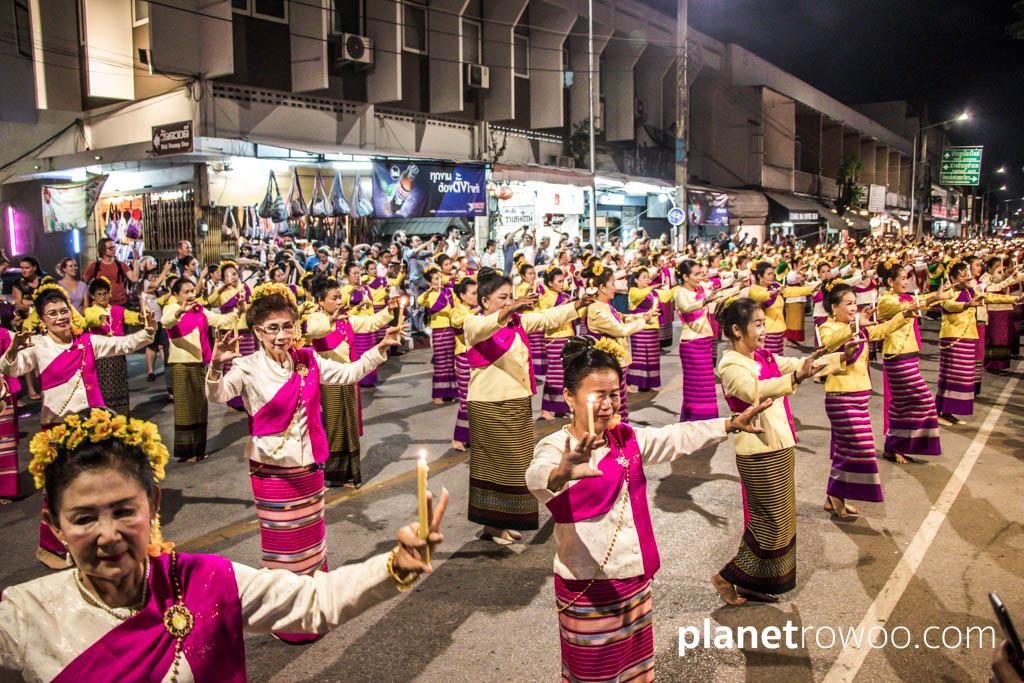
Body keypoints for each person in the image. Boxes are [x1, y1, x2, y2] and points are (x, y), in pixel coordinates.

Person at [0, 408, 448, 681]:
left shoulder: (206, 580)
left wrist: (397, 565)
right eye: (83, 518)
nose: (108, 535)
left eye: (123, 511)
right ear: (55, 527)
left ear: (153, 504)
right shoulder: (24, 615)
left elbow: (316, 601)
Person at [526, 336, 767, 682]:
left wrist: (727, 425)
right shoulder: (555, 446)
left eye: (613, 394)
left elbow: (673, 437)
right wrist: (561, 472)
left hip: (634, 577)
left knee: (635, 670)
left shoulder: (624, 437)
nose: (608, 405)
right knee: (595, 673)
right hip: (588, 585)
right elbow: (535, 476)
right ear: (568, 396)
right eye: (598, 396)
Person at [205, 283, 400, 643]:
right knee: (283, 545)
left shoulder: (307, 360)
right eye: (272, 328)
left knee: (312, 541)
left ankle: (313, 609)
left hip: (309, 463)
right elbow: (218, 395)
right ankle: (286, 619)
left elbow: (346, 374)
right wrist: (215, 366)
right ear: (257, 333)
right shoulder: (246, 367)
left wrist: (379, 349)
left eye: (287, 326)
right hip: (272, 469)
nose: (281, 335)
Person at [0, 282, 154, 568]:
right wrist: (13, 350)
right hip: (57, 429)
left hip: (92, 426)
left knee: (92, 488)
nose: (60, 317)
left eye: (63, 311)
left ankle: (89, 541)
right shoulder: (38, 346)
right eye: (52, 314)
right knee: (58, 490)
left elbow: (122, 344)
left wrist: (147, 331)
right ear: (42, 319)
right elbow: (12, 368)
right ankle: (51, 545)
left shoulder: (86, 342)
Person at [713, 298, 827, 604]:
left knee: (784, 520)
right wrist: (795, 378)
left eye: (765, 323)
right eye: (758, 324)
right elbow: (755, 391)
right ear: (737, 330)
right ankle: (727, 577)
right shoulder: (730, 364)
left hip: (781, 444)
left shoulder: (764, 356)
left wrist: (838, 358)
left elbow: (794, 366)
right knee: (771, 522)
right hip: (758, 450)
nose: (765, 329)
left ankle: (754, 584)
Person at [463, 267, 583, 545]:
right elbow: (482, 328)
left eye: (511, 297)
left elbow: (547, 317)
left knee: (517, 467)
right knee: (496, 467)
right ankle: (492, 526)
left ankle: (500, 523)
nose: (509, 302)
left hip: (516, 402)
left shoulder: (516, 323)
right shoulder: (474, 324)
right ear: (485, 302)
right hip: (489, 404)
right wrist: (508, 310)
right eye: (502, 298)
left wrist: (578, 304)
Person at [818, 281, 913, 517]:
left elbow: (882, 330)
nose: (853, 308)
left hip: (860, 397)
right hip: (841, 397)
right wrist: (856, 323)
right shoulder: (828, 328)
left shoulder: (856, 327)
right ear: (833, 308)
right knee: (860, 448)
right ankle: (836, 495)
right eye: (848, 304)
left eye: (854, 303)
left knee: (846, 450)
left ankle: (834, 496)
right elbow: (831, 343)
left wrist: (904, 315)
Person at [305, 277, 394, 487]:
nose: (338, 302)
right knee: (334, 427)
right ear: (320, 301)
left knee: (349, 425)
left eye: (340, 298)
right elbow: (315, 331)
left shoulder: (346, 320)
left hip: (349, 378)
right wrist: (332, 320)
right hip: (329, 382)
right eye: (334, 298)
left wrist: (390, 309)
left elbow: (371, 323)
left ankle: (349, 473)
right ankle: (332, 474)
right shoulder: (316, 318)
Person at [161, 277, 237, 463]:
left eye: (192, 290)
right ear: (176, 294)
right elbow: (166, 322)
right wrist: (181, 310)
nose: (191, 295)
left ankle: (199, 449)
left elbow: (220, 320)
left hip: (201, 362)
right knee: (186, 409)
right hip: (182, 364)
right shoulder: (171, 308)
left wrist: (238, 311)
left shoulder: (200, 309)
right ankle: (187, 452)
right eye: (186, 291)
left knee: (200, 407)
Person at [875, 261, 944, 464]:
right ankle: (901, 444)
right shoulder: (886, 301)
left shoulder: (903, 297)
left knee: (901, 406)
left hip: (909, 355)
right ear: (890, 281)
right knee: (924, 400)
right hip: (897, 357)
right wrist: (934, 297)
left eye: (907, 278)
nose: (907, 282)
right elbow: (912, 304)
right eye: (903, 278)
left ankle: (893, 446)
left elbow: (916, 300)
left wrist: (939, 295)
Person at [583, 261, 653, 419]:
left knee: (620, 404)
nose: (615, 287)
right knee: (613, 407)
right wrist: (644, 322)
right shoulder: (596, 309)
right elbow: (620, 329)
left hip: (617, 361)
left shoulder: (605, 306)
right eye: (612, 283)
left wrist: (642, 316)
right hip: (609, 363)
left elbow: (622, 318)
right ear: (601, 287)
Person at [83, 277, 144, 417]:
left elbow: (131, 317)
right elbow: (90, 320)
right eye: (99, 294)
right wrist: (100, 318)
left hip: (117, 355)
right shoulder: (91, 311)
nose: (103, 297)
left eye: (105, 293)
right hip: (100, 356)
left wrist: (141, 317)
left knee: (120, 385)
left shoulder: (117, 310)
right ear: (93, 296)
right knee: (102, 387)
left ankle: (122, 417)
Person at [936, 259, 986, 426]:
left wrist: (1013, 300)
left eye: (967, 274)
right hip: (953, 336)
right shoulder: (949, 290)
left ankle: (949, 411)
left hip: (968, 336)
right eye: (963, 274)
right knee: (951, 376)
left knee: (963, 377)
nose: (966, 277)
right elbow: (948, 305)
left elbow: (988, 295)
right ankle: (940, 411)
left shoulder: (971, 290)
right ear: (954, 277)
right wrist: (966, 304)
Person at [674, 260, 722, 421]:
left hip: (704, 341)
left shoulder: (700, 289)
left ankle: (707, 419)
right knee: (695, 387)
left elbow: (717, 294)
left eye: (700, 273)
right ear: (685, 276)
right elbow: (687, 307)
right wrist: (706, 301)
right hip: (692, 344)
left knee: (706, 385)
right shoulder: (680, 292)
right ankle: (695, 419)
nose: (700, 277)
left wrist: (738, 287)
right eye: (696, 274)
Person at [626, 266, 675, 391]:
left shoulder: (653, 292)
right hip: (640, 328)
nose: (647, 280)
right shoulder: (633, 291)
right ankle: (636, 381)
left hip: (653, 327)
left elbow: (666, 296)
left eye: (648, 277)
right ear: (636, 280)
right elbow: (641, 294)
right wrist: (653, 286)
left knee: (651, 356)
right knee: (640, 356)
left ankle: (647, 384)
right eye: (644, 277)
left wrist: (678, 287)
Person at [538, 267, 576, 421]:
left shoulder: (564, 295)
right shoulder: (546, 298)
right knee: (554, 375)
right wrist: (564, 306)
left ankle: (561, 408)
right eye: (559, 281)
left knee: (565, 375)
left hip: (567, 336)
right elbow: (547, 317)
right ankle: (546, 409)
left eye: (563, 281)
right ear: (550, 283)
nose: (562, 284)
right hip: (554, 338)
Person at [418, 265, 458, 404]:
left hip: (450, 328)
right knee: (441, 363)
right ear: (430, 282)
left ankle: (450, 392)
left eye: (440, 277)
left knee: (450, 362)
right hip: (439, 331)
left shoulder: (448, 291)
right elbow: (420, 301)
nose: (439, 280)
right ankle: (438, 395)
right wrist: (429, 290)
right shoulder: (430, 295)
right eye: (436, 278)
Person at [449, 276, 477, 451]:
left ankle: (474, 436)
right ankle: (458, 437)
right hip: (464, 357)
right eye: (473, 293)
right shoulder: (457, 311)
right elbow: (459, 324)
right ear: (462, 295)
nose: (476, 296)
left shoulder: (475, 310)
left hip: (477, 356)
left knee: (477, 398)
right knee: (466, 399)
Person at [84, 238, 140, 307]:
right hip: (102, 305)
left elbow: (134, 279)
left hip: (120, 303)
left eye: (114, 247)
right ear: (103, 250)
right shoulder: (95, 266)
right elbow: (84, 283)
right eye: (110, 248)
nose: (114, 250)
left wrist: (136, 259)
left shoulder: (121, 265)